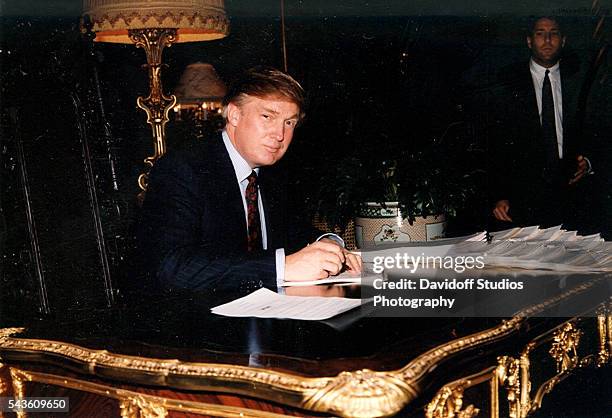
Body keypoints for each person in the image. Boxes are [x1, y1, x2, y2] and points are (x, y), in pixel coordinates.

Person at [136, 66, 361, 294]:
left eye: (289, 122)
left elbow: (292, 232)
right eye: (267, 116)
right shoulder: (184, 169)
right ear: (234, 114)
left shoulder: (271, 172)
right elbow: (172, 267)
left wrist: (328, 243)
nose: (280, 135)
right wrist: (281, 268)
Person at [490, 16, 593, 228]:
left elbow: (599, 130)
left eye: (553, 33)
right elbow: (494, 143)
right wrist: (499, 193)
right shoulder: (506, 82)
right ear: (529, 41)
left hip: (573, 194)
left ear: (563, 40)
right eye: (540, 33)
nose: (547, 39)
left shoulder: (581, 81)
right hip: (522, 199)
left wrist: (588, 162)